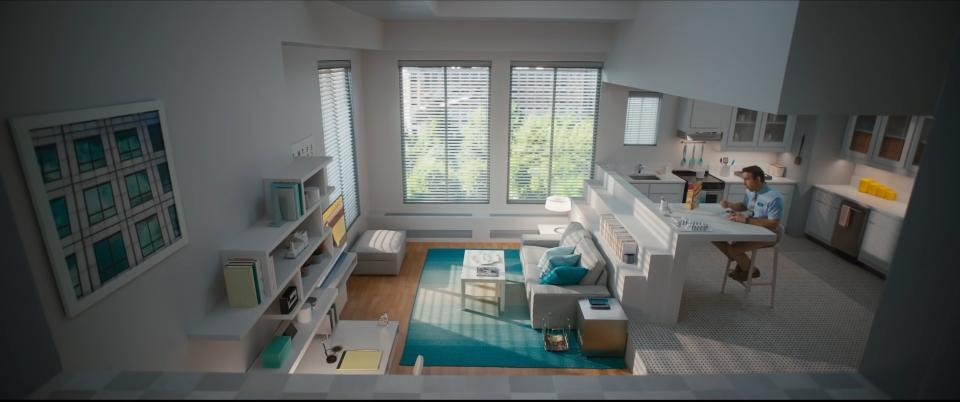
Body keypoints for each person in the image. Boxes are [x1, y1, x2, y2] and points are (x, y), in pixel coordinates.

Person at [713, 165, 783, 282]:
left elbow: (773, 224)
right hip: (752, 228)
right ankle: (742, 264)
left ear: (758, 179)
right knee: (715, 235)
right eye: (743, 179)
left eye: (747, 179)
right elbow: (744, 206)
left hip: (770, 234)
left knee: (734, 249)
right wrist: (730, 205)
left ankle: (752, 271)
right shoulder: (750, 191)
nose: (744, 183)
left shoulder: (774, 198)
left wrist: (746, 220)